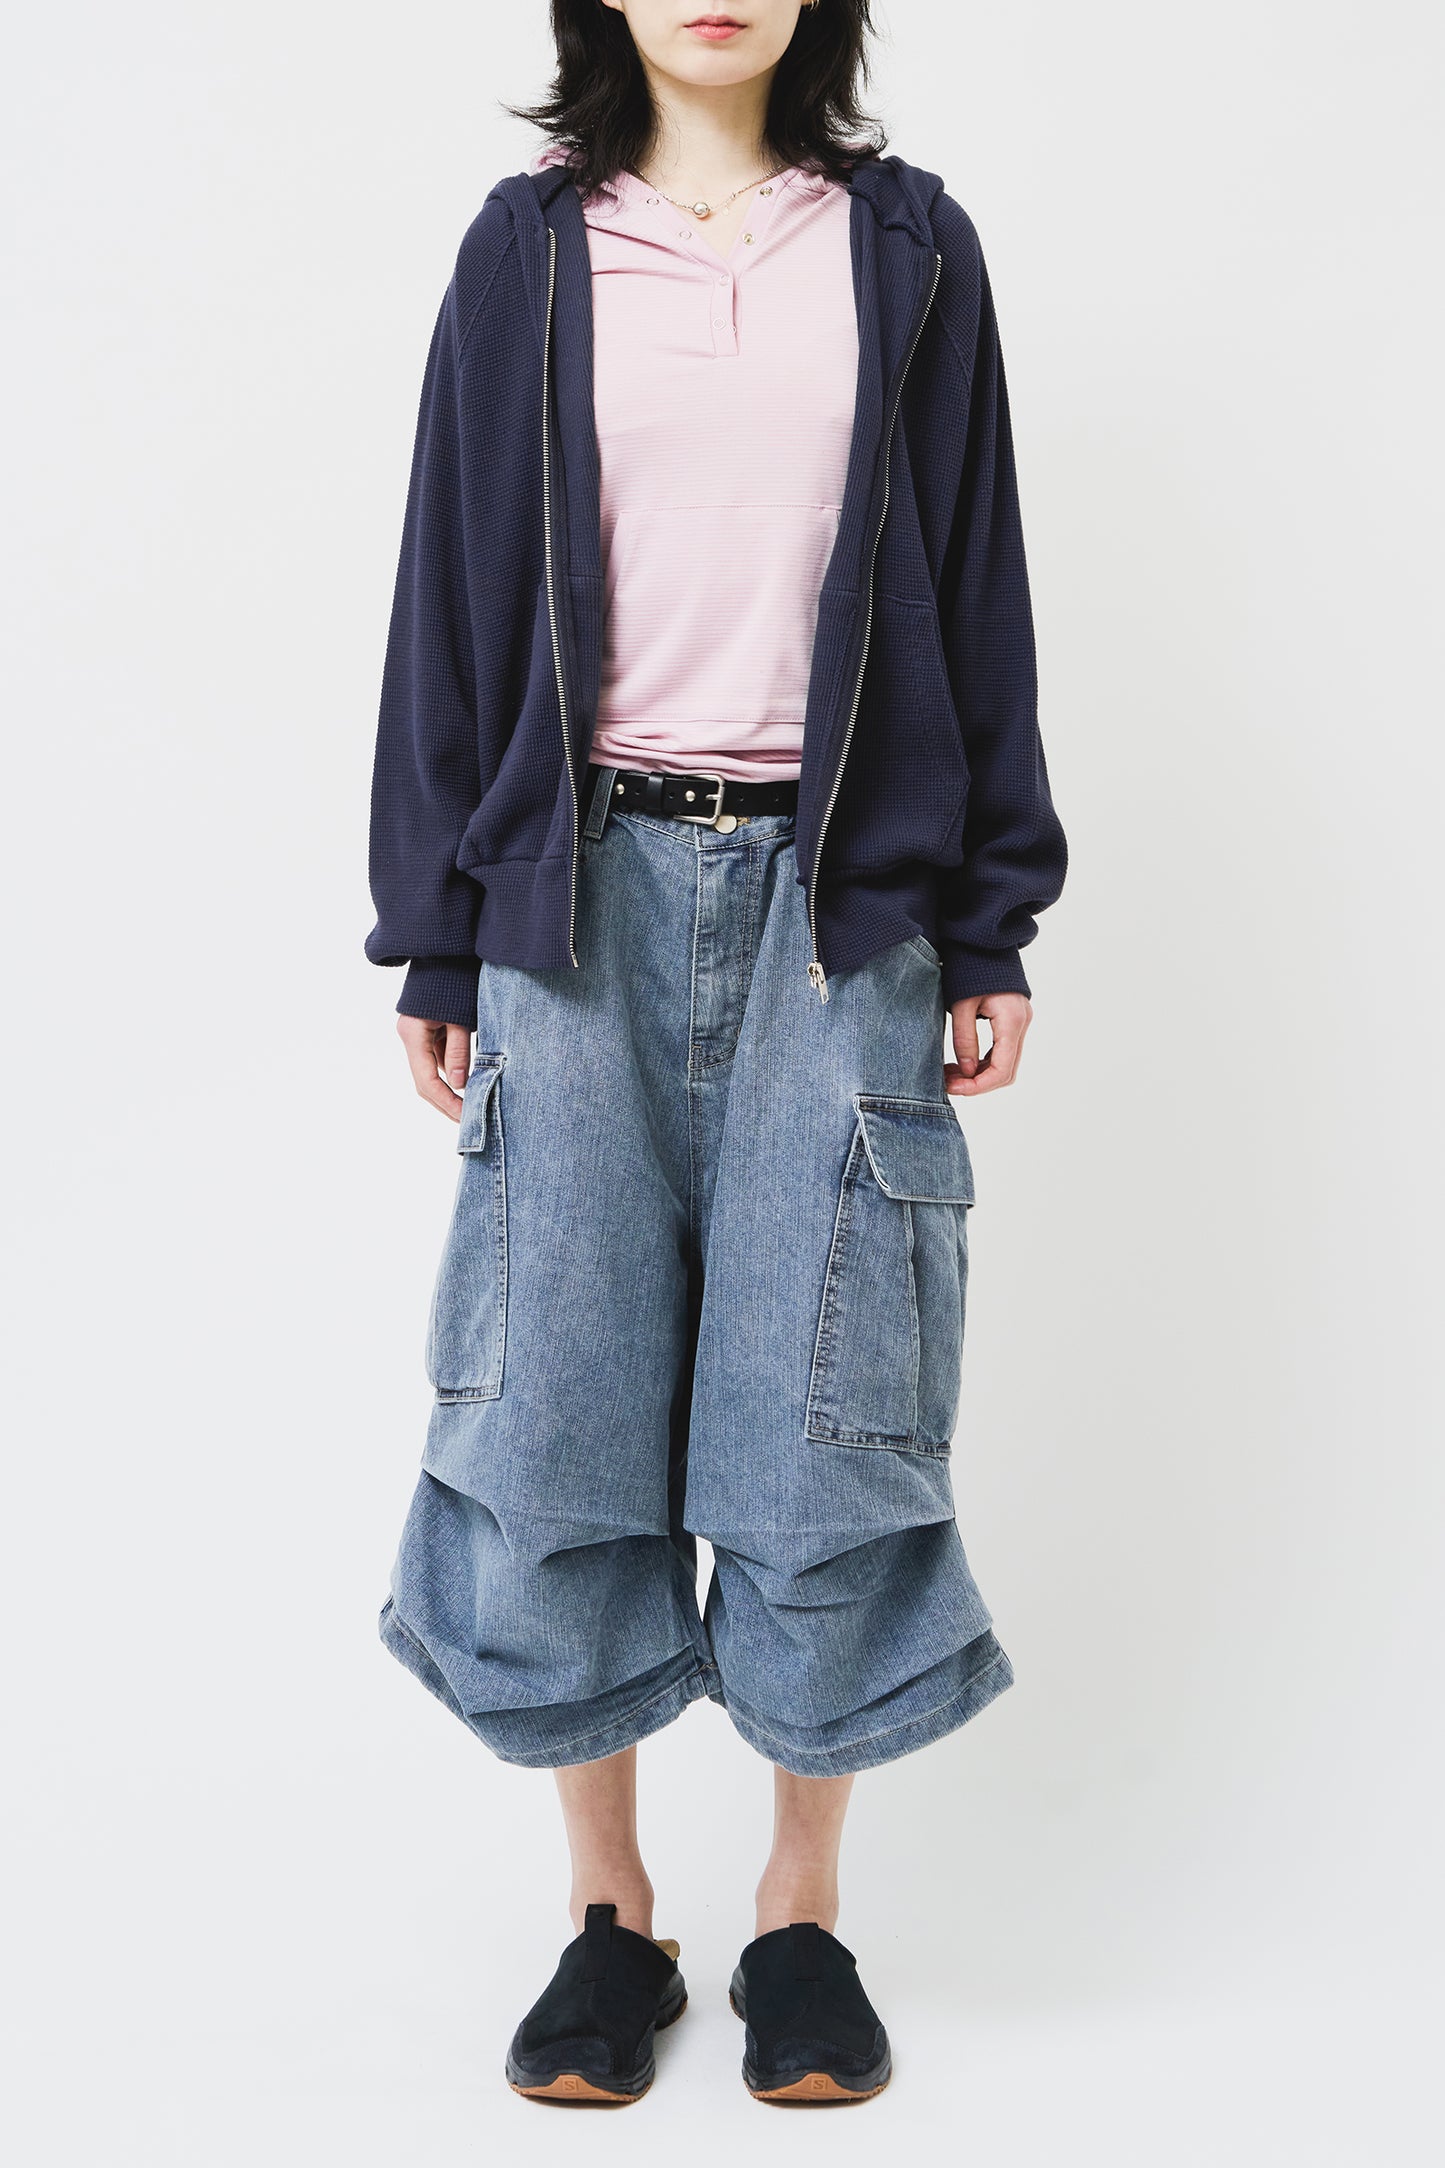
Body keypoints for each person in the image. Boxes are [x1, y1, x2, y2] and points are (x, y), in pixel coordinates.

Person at [365, 0, 1067, 2108]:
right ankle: (610, 1916)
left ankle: (799, 1916)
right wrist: (438, 929)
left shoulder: (908, 247)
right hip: (570, 899)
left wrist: (989, 914)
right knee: (557, 1402)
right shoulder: (526, 249)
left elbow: (978, 579)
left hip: (844, 904)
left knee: (823, 1412)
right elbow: (448, 595)